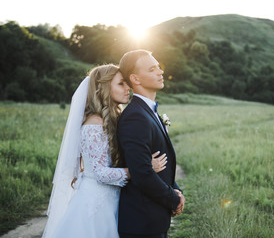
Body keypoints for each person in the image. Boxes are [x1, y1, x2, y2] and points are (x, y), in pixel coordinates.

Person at [42, 64, 167, 238]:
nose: (128, 88)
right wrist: (143, 168)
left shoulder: (114, 118)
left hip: (113, 200)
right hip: (95, 204)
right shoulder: (94, 125)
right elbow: (100, 173)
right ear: (104, 88)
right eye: (121, 84)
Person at [117, 49, 185, 238]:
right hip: (141, 223)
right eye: (152, 69)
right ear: (136, 79)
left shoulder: (148, 112)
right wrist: (173, 199)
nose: (160, 72)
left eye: (159, 67)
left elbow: (162, 161)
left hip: (153, 219)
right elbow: (142, 173)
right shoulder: (135, 117)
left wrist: (176, 190)